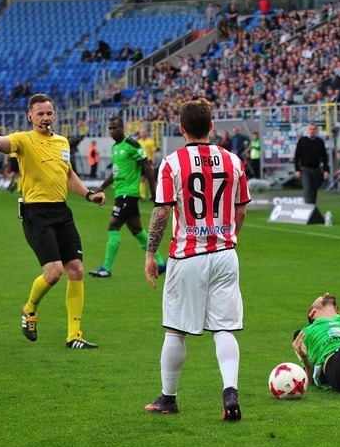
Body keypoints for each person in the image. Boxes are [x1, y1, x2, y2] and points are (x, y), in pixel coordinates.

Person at [0, 93, 106, 349]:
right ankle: (29, 309)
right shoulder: (23, 140)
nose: (45, 117)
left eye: (49, 113)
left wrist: (89, 194)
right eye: (40, 113)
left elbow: (68, 173)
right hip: (36, 215)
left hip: (62, 212)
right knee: (53, 273)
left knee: (77, 270)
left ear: (54, 114)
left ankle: (74, 335)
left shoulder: (62, 142)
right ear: (30, 117)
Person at [144, 98, 251, 421]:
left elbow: (162, 210)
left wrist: (150, 253)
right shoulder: (232, 160)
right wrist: (228, 239)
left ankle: (168, 398)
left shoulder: (172, 163)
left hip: (187, 256)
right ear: (211, 127)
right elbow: (241, 210)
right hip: (224, 254)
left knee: (175, 330)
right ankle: (229, 391)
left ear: (181, 129)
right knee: (224, 329)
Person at [89, 117, 167, 279]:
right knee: (138, 231)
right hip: (121, 193)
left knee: (113, 226)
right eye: (110, 128)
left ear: (122, 128)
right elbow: (115, 172)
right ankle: (160, 262)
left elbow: (146, 165)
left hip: (128, 194)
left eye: (115, 128)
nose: (112, 131)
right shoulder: (115, 148)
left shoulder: (132, 144)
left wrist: (153, 192)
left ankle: (107, 268)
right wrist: (102, 186)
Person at [293, 122, 329, 204]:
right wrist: (297, 169)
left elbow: (324, 157)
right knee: (307, 188)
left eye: (314, 129)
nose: (312, 131)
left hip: (316, 169)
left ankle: (312, 206)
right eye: (310, 129)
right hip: (305, 169)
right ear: (307, 130)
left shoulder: (320, 142)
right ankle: (307, 207)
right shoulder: (302, 141)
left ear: (316, 130)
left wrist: (326, 170)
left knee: (314, 189)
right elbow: (297, 156)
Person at [136, 128, 158, 200]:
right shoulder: (138, 142)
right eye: (141, 132)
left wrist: (153, 163)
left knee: (151, 179)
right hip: (141, 161)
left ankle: (152, 195)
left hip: (149, 161)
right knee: (142, 179)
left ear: (146, 133)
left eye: (144, 132)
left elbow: (153, 152)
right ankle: (142, 196)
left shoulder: (150, 142)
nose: (143, 134)